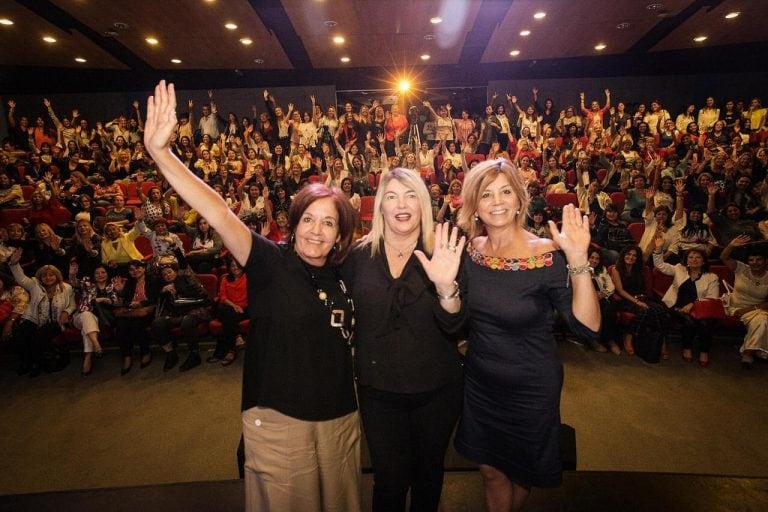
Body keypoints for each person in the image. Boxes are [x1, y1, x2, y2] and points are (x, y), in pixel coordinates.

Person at [144, 81, 361, 511]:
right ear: (294, 223)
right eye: (309, 219)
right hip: (280, 418)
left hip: (340, 417)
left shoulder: (344, 274)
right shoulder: (269, 262)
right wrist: (162, 154)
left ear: (340, 235)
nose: (317, 230)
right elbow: (219, 211)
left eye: (329, 223)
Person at [416, 159, 600, 511]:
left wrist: (577, 259)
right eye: (486, 194)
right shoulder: (469, 252)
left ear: (519, 199)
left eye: (505, 191)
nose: (497, 201)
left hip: (531, 386)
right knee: (490, 471)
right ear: (474, 205)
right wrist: (444, 288)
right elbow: (454, 323)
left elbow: (587, 328)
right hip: (482, 382)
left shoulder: (546, 255)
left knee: (519, 471)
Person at [343, 168, 464, 511]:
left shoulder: (443, 252)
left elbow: (457, 326)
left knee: (428, 478)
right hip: (379, 392)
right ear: (380, 206)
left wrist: (445, 289)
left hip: (437, 390)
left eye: (411, 195)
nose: (402, 204)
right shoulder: (357, 257)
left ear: (423, 204)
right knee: (390, 482)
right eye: (392, 196)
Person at [8, 250, 76, 377]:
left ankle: (37, 364)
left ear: (57, 276)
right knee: (20, 335)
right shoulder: (35, 285)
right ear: (40, 277)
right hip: (35, 319)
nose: (48, 278)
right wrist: (15, 264)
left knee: (38, 337)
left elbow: (72, 304)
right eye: (44, 276)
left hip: (55, 322)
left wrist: (67, 311)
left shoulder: (66, 287)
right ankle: (26, 362)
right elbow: (21, 278)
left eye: (51, 275)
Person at [652, 240, 720, 366]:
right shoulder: (679, 269)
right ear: (686, 260)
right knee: (689, 322)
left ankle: (704, 351)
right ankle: (687, 347)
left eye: (698, 257)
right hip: (676, 306)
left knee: (705, 323)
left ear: (704, 260)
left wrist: (693, 304)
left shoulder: (712, 277)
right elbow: (660, 265)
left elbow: (712, 298)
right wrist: (658, 249)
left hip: (700, 309)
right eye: (691, 257)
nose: (694, 260)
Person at [610, 245, 669, 358]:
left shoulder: (640, 269)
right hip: (626, 300)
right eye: (628, 254)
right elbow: (620, 290)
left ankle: (662, 341)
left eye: (634, 255)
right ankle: (629, 337)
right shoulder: (616, 269)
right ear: (623, 255)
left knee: (660, 310)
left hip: (642, 298)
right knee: (643, 311)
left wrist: (641, 300)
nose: (631, 257)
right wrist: (636, 302)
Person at [719, 236, 768, 369]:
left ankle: (748, 353)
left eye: (759, 259)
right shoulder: (741, 268)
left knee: (763, 319)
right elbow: (723, 257)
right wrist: (731, 245)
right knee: (763, 320)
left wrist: (747, 310)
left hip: (755, 310)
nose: (755, 262)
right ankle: (756, 350)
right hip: (733, 305)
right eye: (751, 260)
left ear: (765, 261)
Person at [209, 257, 248, 366]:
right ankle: (237, 338)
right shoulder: (225, 279)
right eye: (232, 266)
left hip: (244, 309)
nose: (235, 268)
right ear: (229, 268)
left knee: (227, 317)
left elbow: (251, 296)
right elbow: (223, 297)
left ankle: (230, 350)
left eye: (237, 266)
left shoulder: (248, 277)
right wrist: (234, 306)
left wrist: (240, 306)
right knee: (225, 310)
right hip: (230, 307)